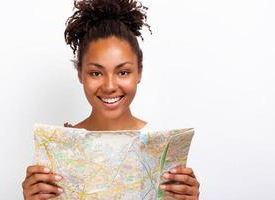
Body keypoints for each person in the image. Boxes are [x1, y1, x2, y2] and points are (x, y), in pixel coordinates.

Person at [22, 0, 200, 199]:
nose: (109, 86)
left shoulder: (164, 149)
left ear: (139, 72)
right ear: (80, 74)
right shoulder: (58, 151)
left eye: (123, 72)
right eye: (96, 73)